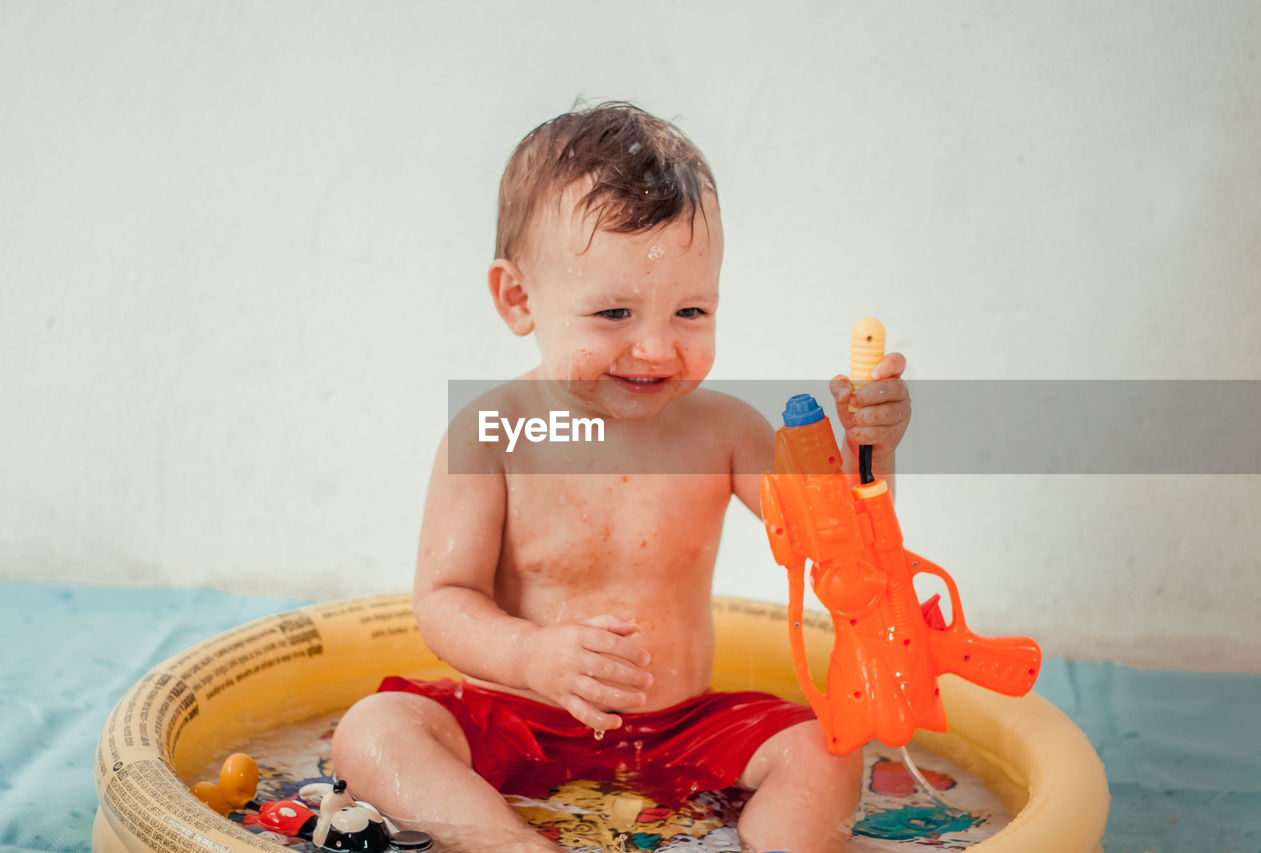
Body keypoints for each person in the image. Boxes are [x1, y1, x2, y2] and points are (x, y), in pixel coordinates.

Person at [331, 101, 911, 853]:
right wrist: (532, 656)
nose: (656, 347)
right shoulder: (492, 433)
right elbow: (443, 602)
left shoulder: (725, 431)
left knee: (824, 746)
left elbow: (841, 559)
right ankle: (510, 844)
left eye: (691, 310)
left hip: (683, 730)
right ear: (518, 299)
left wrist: (873, 454)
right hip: (518, 716)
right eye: (613, 311)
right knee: (375, 731)